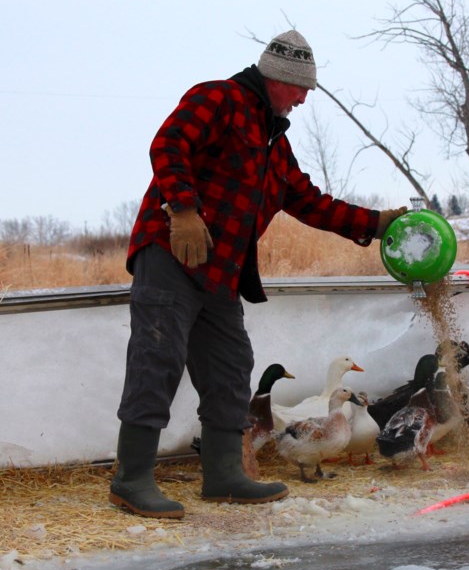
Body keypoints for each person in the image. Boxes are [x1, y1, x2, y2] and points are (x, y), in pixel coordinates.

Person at [109, 29, 408, 519]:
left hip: (221, 272)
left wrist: (374, 225)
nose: (304, 98)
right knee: (156, 362)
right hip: (170, 255)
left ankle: (224, 476)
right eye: (300, 88)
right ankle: (131, 480)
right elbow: (168, 143)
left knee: (230, 371)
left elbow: (310, 202)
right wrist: (181, 208)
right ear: (277, 77)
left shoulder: (274, 143)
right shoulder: (219, 98)